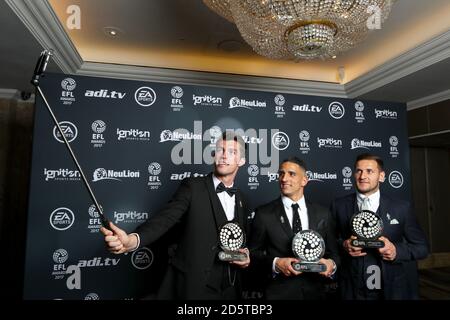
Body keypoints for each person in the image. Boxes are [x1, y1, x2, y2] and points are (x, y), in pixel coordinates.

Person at [100, 131, 251, 300]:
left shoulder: (242, 199)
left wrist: (244, 255)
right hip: (195, 288)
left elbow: (239, 239)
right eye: (220, 150)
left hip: (231, 290)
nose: (224, 156)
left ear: (242, 160)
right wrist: (132, 241)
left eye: (232, 152)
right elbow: (164, 220)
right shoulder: (193, 187)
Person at [331, 153, 429, 300]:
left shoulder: (401, 208)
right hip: (351, 287)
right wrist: (344, 245)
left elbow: (422, 248)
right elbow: (329, 243)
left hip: (389, 288)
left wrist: (396, 250)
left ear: (381, 176)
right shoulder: (339, 206)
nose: (363, 176)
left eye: (369, 171)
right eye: (359, 171)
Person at [248, 157, 340, 300]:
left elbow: (335, 253)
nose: (284, 178)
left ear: (304, 180)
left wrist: (331, 264)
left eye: (291, 174)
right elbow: (252, 255)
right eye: (281, 174)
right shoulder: (264, 213)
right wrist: (276, 263)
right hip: (278, 294)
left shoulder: (323, 213)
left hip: (316, 293)